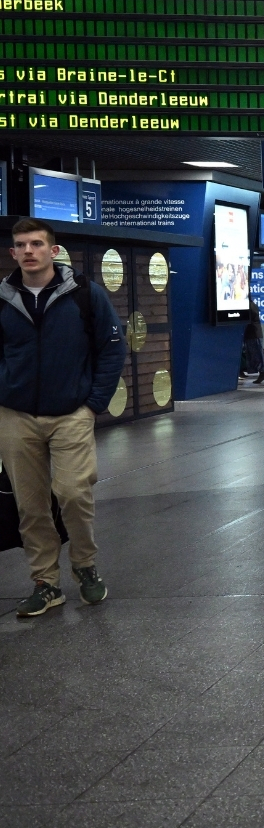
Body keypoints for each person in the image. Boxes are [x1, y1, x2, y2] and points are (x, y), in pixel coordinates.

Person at [3, 219, 127, 618]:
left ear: (53, 251)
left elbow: (112, 349)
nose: (28, 251)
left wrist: (93, 404)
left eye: (36, 244)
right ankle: (46, 582)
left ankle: (85, 565)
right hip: (15, 414)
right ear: (12, 253)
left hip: (72, 412)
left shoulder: (84, 294)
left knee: (74, 492)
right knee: (31, 503)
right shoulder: (3, 297)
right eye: (20, 245)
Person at [241, 298, 264, 385]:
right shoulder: (252, 305)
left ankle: (262, 373)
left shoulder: (250, 306)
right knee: (254, 354)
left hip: (253, 333)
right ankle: (262, 372)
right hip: (253, 333)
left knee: (257, 355)